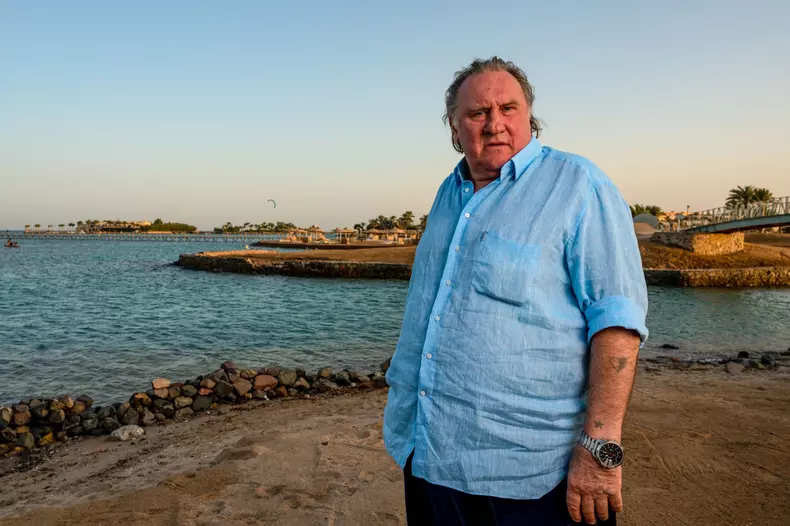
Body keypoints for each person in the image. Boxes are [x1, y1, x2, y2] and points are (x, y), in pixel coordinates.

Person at [383, 57, 648, 525]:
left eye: (509, 107)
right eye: (477, 113)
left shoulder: (578, 185)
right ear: (454, 126)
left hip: (532, 474)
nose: (494, 124)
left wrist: (599, 451)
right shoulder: (448, 194)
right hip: (428, 453)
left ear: (530, 116)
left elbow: (617, 324)